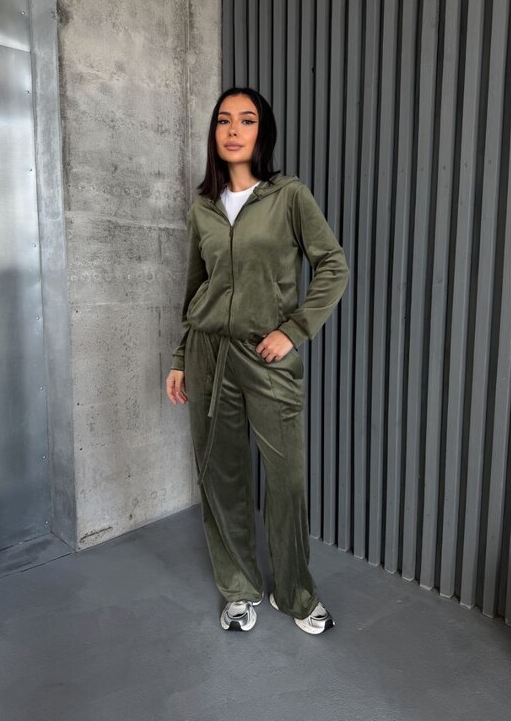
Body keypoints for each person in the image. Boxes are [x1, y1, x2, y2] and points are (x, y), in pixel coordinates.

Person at [165, 87, 349, 634]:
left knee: (286, 479)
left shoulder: (289, 196)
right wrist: (181, 356)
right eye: (224, 120)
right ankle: (238, 588)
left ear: (261, 132)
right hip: (209, 355)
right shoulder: (202, 209)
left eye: (246, 120)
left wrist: (293, 331)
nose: (233, 130)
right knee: (220, 476)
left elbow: (333, 265)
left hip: (267, 357)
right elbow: (194, 289)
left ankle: (295, 593)